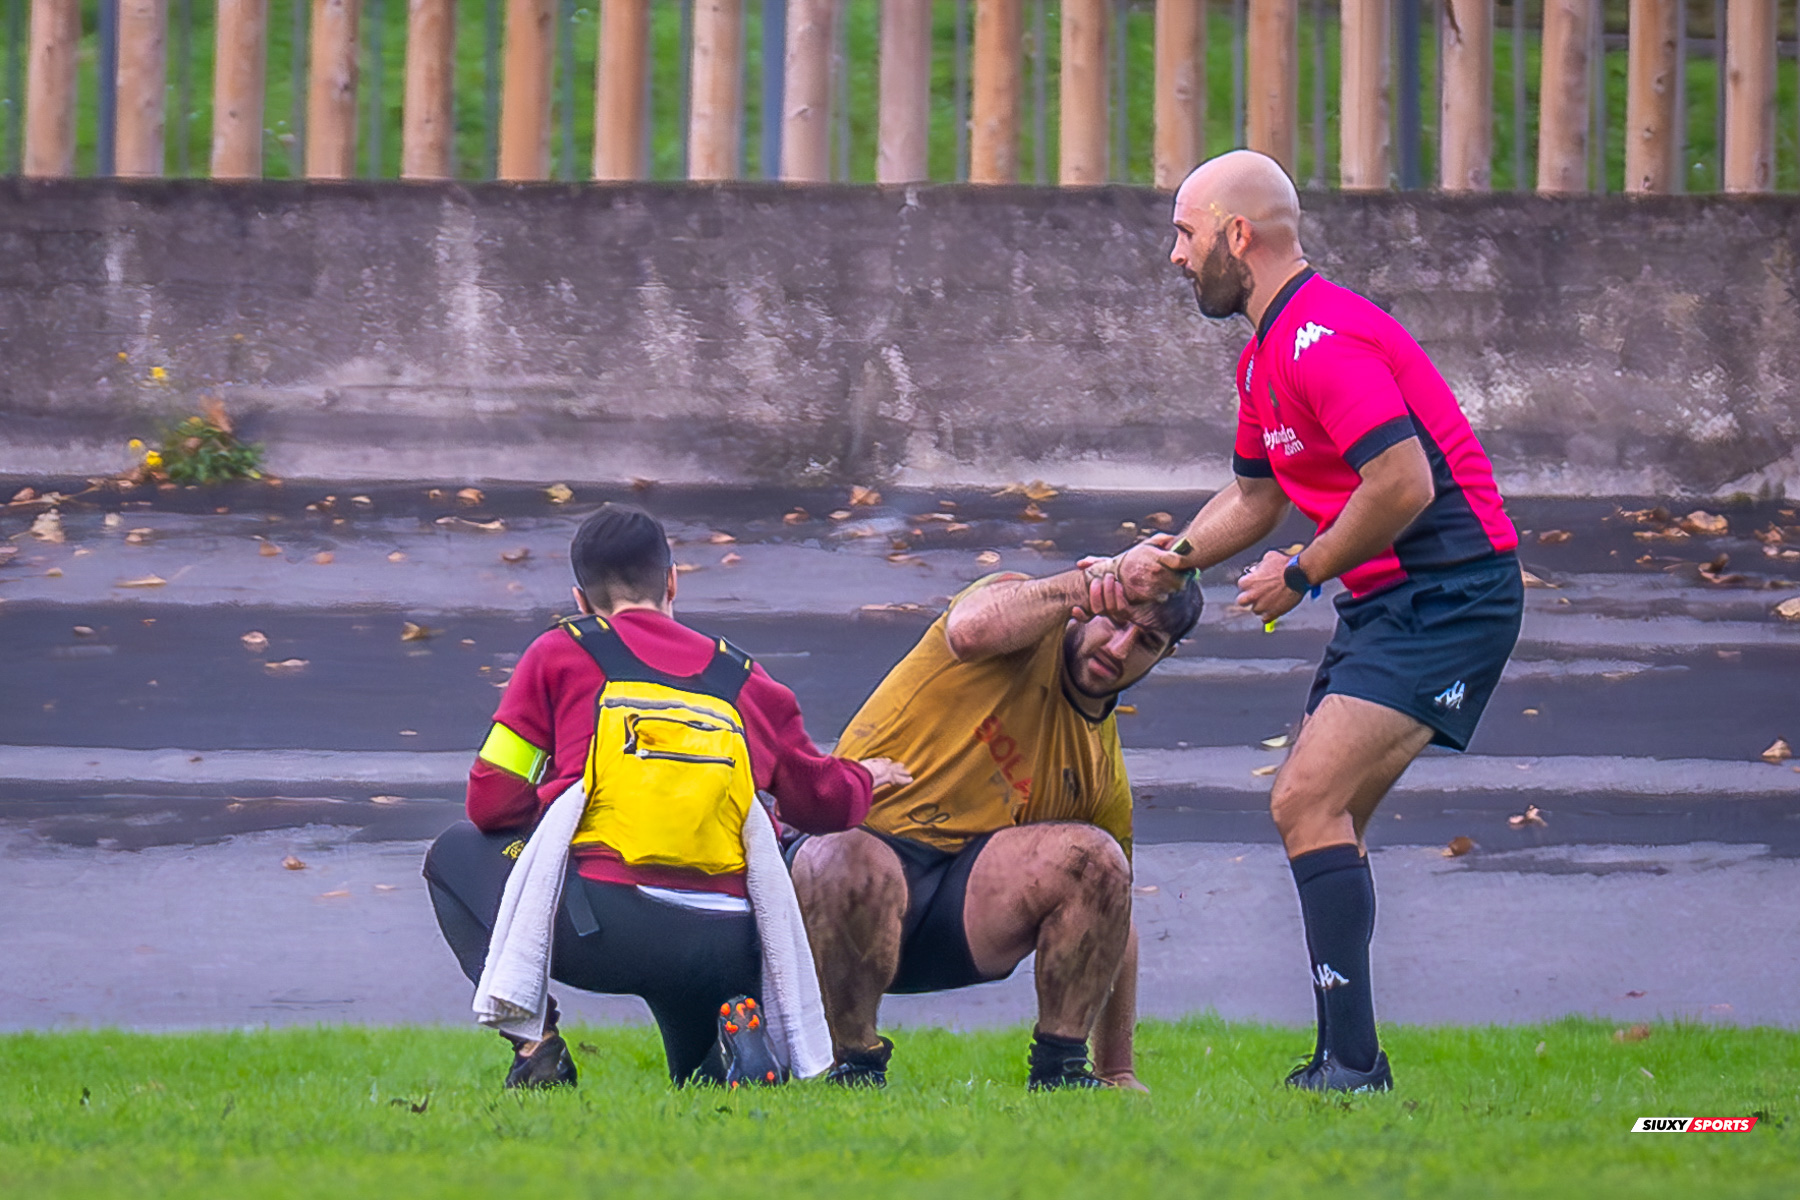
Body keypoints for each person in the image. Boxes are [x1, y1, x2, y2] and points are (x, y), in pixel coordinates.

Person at [1092, 149, 1522, 1092]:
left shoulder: (1319, 340)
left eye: (1186, 231)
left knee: (1303, 800)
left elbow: (1401, 482)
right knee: (1327, 819)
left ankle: (1353, 1064)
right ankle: (1344, 1060)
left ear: (1237, 236)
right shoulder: (1264, 356)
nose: (1175, 254)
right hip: (1390, 602)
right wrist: (1168, 561)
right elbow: (1254, 498)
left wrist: (1307, 572)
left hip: (1452, 597)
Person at [422, 504, 910, 1088]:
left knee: (452, 855)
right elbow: (823, 803)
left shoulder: (558, 654)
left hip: (606, 927)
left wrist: (561, 797)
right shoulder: (746, 680)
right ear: (672, 581)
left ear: (581, 600)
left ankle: (537, 1048)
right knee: (698, 1085)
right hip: (729, 940)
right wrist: (865, 777)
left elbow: (491, 802)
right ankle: (740, 1037)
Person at [789, 563, 1203, 1091]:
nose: (1119, 649)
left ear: (1165, 655)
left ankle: (1062, 1077)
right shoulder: (1019, 616)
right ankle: (854, 1065)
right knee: (842, 855)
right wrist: (1081, 583)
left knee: (1098, 860)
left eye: (1145, 641)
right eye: (1115, 621)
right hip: (842, 891)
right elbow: (968, 629)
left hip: (953, 919)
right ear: (1089, 599)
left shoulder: (1101, 771)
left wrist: (1118, 1068)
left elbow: (1113, 920)